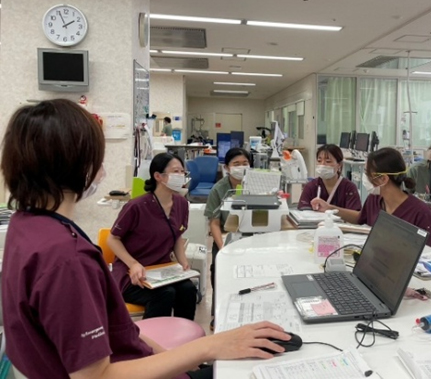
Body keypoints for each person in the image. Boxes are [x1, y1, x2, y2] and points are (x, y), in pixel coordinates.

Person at [0, 99, 290, 379]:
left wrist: (183, 360)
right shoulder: (67, 259)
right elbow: (95, 376)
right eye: (98, 157)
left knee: (185, 292)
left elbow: (123, 333)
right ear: (77, 162)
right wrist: (211, 346)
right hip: (130, 366)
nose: (101, 168)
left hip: (137, 359)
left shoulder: (26, 226)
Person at [108, 153, 197, 320]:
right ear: (158, 176)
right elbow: (112, 239)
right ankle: (151, 337)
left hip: (162, 269)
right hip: (132, 272)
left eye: (182, 172)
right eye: (175, 171)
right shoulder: (136, 206)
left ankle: (184, 335)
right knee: (165, 294)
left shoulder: (182, 204)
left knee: (188, 290)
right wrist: (133, 264)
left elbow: (177, 235)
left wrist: (183, 262)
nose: (180, 176)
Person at [312, 147, 431, 249]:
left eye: (367, 173)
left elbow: (430, 253)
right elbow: (360, 217)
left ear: (383, 179)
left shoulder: (420, 213)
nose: (365, 178)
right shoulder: (374, 200)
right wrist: (330, 208)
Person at [204, 147, 251, 327]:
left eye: (245, 163)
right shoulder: (219, 189)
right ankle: (219, 313)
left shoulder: (256, 184)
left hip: (251, 237)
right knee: (219, 268)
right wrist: (223, 247)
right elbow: (214, 223)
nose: (241, 167)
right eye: (236, 164)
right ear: (227, 167)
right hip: (226, 236)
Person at [298, 144, 362, 212]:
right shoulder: (311, 186)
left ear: (339, 165)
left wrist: (330, 209)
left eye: (328, 161)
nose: (322, 165)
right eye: (319, 161)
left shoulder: (349, 188)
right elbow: (302, 211)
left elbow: (356, 215)